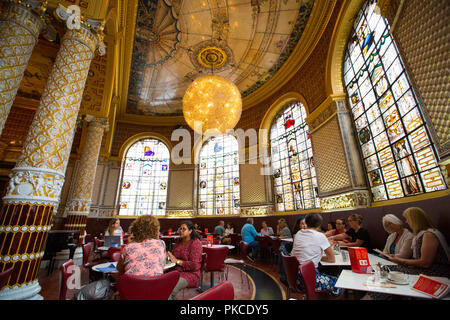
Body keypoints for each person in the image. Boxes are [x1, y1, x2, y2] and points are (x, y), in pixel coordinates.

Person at [386, 207, 450, 277]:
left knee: (387, 269)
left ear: (415, 220)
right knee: (386, 268)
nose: (406, 222)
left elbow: (425, 263)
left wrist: (400, 260)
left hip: (436, 271)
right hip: (424, 269)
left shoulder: (429, 235)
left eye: (408, 219)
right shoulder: (421, 234)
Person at [290, 212, 342, 296]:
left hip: (294, 277)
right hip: (309, 278)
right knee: (339, 282)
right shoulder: (320, 236)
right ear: (319, 225)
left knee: (327, 275)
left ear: (306, 222)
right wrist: (320, 257)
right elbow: (332, 259)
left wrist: (317, 256)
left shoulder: (299, 233)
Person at [167, 221, 203, 300]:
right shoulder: (178, 242)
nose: (181, 231)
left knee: (170, 289)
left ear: (190, 231)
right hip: (175, 271)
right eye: (180, 229)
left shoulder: (195, 243)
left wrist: (177, 261)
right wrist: (168, 256)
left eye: (184, 229)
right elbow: (173, 258)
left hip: (190, 274)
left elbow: (195, 265)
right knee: (159, 282)